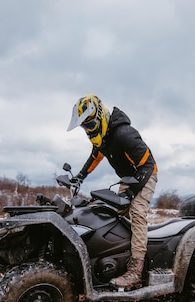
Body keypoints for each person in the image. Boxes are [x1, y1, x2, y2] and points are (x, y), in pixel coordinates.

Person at [67, 94, 157, 290]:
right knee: (111, 212)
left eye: (90, 126)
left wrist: (131, 193)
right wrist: (80, 176)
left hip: (145, 175)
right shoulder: (104, 139)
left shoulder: (124, 134)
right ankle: (116, 254)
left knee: (137, 213)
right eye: (85, 128)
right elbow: (95, 156)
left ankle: (136, 270)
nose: (88, 131)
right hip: (128, 178)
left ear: (100, 117)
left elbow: (148, 165)